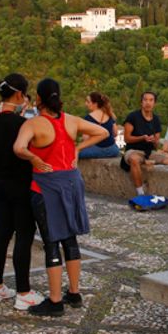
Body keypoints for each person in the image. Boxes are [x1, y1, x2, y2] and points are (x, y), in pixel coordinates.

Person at [13, 78, 108, 317]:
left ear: (39, 99)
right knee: (70, 239)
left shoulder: (34, 124)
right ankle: (74, 292)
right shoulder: (72, 121)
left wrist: (34, 159)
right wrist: (77, 148)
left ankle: (55, 301)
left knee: (51, 241)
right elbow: (103, 132)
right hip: (71, 182)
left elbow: (18, 148)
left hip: (46, 186)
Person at [0, 74, 43, 310]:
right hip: (21, 182)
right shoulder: (19, 124)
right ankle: (23, 291)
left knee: (3, 232)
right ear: (20, 95)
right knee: (24, 234)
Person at [121, 91, 168, 195]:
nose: (148, 103)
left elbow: (156, 144)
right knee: (134, 159)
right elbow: (127, 139)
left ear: (154, 103)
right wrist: (142, 138)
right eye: (145, 100)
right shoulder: (133, 116)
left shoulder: (156, 119)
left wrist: (154, 141)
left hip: (149, 152)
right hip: (133, 151)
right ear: (141, 102)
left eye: (151, 100)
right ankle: (140, 193)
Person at [78, 92, 120, 159]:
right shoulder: (109, 115)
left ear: (95, 104)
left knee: (73, 153)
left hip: (96, 149)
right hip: (113, 150)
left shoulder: (88, 118)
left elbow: (85, 138)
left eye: (88, 102)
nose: (86, 104)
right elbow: (115, 133)